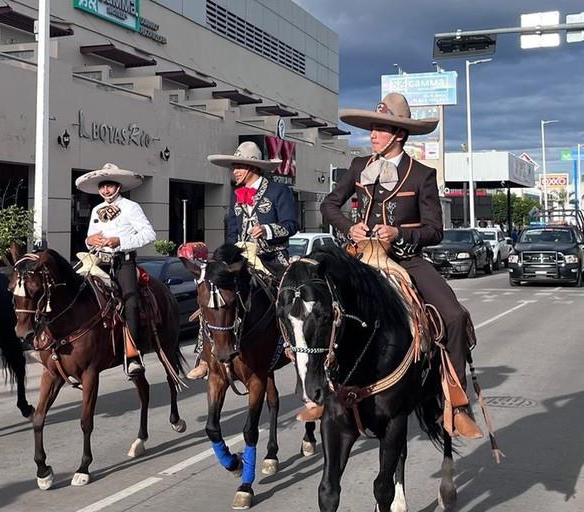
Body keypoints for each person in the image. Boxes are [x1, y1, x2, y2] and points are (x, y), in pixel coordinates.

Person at [320, 92, 482, 439]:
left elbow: (435, 230)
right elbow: (329, 205)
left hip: (405, 259)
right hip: (360, 258)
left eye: (379, 129)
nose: (372, 135)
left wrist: (398, 232)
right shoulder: (357, 168)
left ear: (399, 134)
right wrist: (349, 227)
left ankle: (455, 402)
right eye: (372, 129)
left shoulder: (422, 174)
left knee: (453, 316)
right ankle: (319, 392)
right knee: (314, 308)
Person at [185, 141, 298, 379]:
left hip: (272, 256)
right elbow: (231, 231)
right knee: (211, 290)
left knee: (287, 293)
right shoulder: (235, 195)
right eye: (233, 167)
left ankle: (291, 344)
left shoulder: (278, 191)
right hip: (241, 257)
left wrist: (266, 230)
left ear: (252, 168)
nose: (234, 171)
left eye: (238, 167)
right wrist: (227, 254)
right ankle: (204, 356)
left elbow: (291, 225)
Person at [76, 163, 156, 377]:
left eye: (110, 186)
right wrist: (88, 239)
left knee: (130, 303)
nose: (106, 190)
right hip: (98, 261)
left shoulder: (131, 207)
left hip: (123, 262)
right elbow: (91, 239)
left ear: (118, 186)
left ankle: (132, 355)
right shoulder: (95, 210)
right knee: (78, 291)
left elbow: (149, 234)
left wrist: (119, 241)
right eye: (102, 186)